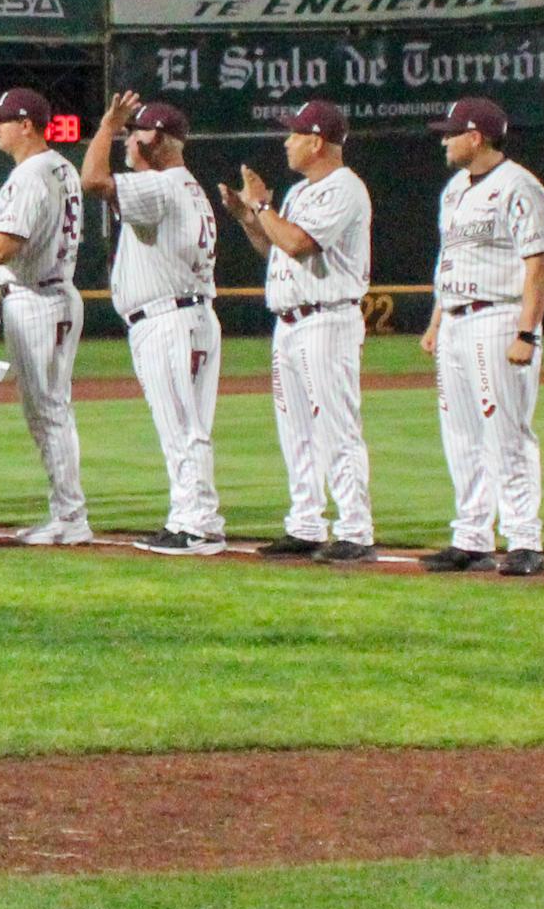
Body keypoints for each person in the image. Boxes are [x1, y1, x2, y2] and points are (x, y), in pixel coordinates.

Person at [0, 88, 95, 546]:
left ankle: (70, 517)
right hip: (56, 294)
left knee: (48, 414)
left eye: (3, 119)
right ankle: (67, 514)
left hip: (37, 298)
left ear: (27, 125)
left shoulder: (29, 175)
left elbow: (2, 248)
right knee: (53, 411)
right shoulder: (63, 166)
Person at [228, 98, 374, 564]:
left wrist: (264, 205)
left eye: (294, 134)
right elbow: (273, 247)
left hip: (327, 319)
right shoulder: (298, 193)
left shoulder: (343, 188)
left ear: (316, 142)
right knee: (297, 430)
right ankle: (306, 523)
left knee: (335, 426)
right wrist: (248, 218)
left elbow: (297, 244)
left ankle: (355, 529)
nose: (287, 141)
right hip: (290, 322)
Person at [417, 97, 544, 575]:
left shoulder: (521, 186)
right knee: (461, 434)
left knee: (506, 430)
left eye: (451, 132)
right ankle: (471, 535)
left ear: (475, 137)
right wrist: (437, 321)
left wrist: (526, 332)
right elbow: (449, 260)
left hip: (499, 317)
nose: (444, 140)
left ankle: (523, 539)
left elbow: (538, 263)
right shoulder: (454, 190)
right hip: (456, 318)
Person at [84, 92, 226, 554]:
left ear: (158, 139)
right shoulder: (187, 187)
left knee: (182, 427)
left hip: (170, 319)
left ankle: (198, 525)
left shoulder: (162, 186)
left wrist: (105, 126)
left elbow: (92, 180)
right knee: (185, 426)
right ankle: (190, 517)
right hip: (186, 315)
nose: (128, 139)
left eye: (135, 131)